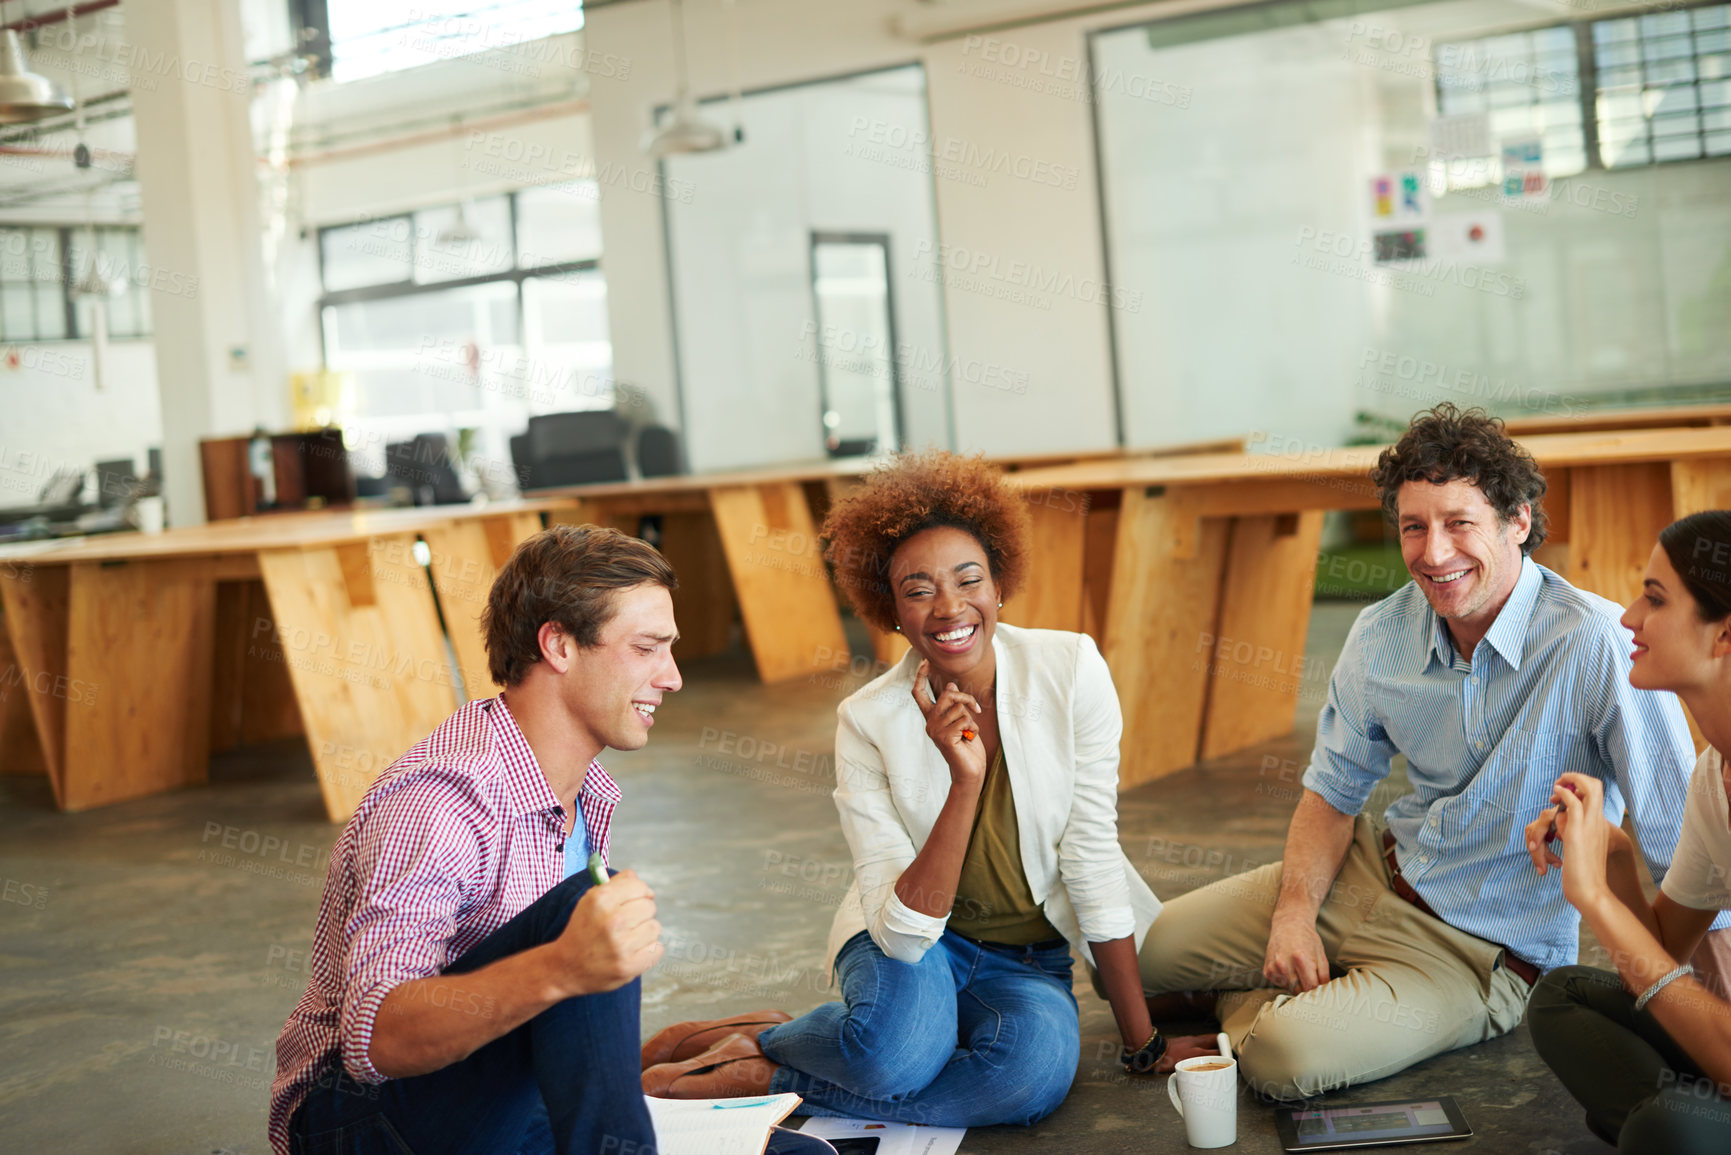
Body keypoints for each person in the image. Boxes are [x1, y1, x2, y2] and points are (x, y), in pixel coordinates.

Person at [1138, 403, 1725, 1101]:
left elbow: (1686, 860)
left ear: (1517, 522)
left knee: (1280, 1058)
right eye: (1413, 527)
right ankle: (1298, 989)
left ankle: (1263, 1010)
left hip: (1479, 953)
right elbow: (1330, 792)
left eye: (1458, 523)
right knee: (1151, 953)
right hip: (1374, 872)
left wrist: (1712, 1039)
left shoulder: (1599, 643)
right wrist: (1296, 910)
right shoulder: (1379, 632)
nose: (1433, 552)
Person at [638, 451, 1214, 1125]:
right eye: (917, 590)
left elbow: (1090, 854)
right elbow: (906, 936)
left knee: (1027, 1082)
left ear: (1000, 584)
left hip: (1027, 963)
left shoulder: (1070, 669)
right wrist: (963, 781)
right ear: (890, 610)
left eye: (968, 580)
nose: (948, 608)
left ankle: (766, 1057)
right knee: (894, 1059)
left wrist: (1140, 1041)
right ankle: (816, 1046)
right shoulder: (867, 720)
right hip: (908, 938)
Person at [269, 525, 680, 1155]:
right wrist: (559, 967)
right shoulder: (438, 802)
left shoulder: (587, 791)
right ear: (559, 645)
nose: (672, 677)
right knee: (584, 915)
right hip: (357, 1123)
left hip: (492, 1108)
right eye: (647, 648)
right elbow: (376, 1035)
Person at [1525, 510, 1731, 1151]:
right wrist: (1611, 854)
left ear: (1723, 634)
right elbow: (1665, 946)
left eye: (1656, 598)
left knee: (1666, 1126)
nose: (1629, 617)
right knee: (1562, 995)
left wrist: (1590, 901)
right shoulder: (1713, 778)